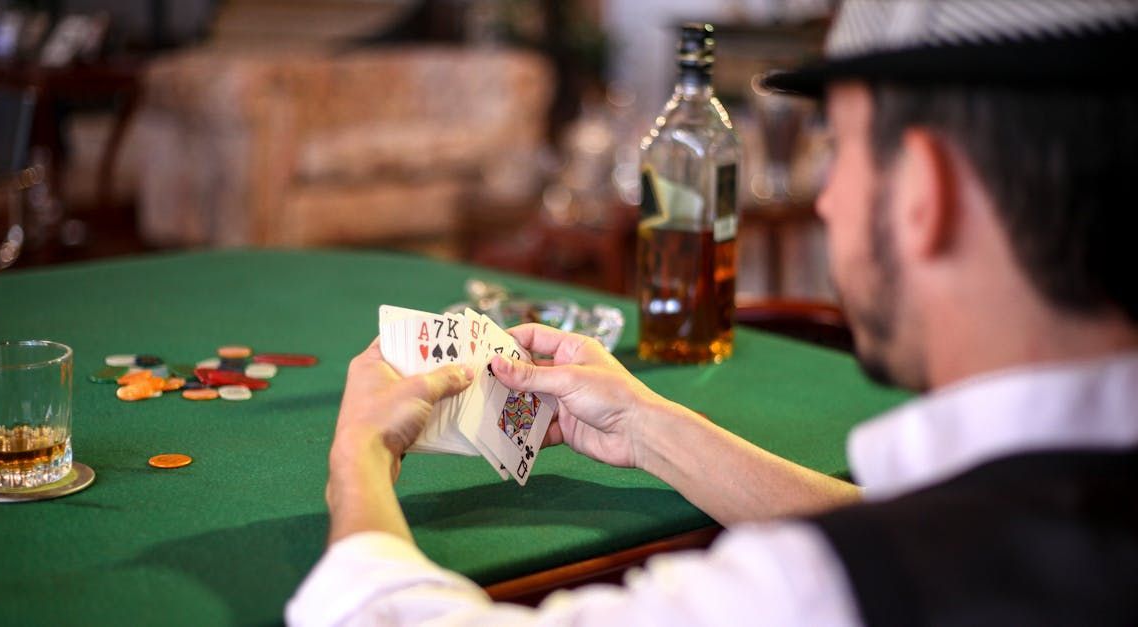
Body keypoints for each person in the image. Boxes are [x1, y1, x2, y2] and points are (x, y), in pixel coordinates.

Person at [288, 1, 1138, 624]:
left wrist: (357, 461)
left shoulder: (825, 593)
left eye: (839, 154)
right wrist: (649, 424)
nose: (832, 203)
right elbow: (950, 525)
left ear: (923, 193)